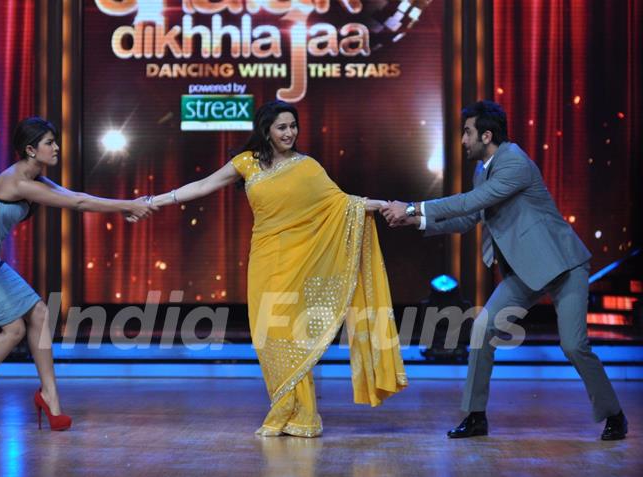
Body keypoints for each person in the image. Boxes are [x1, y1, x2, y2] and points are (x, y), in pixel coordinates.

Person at [147, 100, 408, 437]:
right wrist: (155, 201)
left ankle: (301, 416)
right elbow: (201, 186)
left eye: (293, 126)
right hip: (266, 261)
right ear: (266, 130)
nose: (290, 133)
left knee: (290, 335)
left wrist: (380, 205)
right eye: (282, 127)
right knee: (266, 336)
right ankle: (286, 408)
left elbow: (341, 203)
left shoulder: (308, 167)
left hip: (300, 263)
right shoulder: (247, 163)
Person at [381, 100, 627, 440]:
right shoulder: (482, 170)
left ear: (486, 135)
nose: (463, 141)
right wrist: (414, 220)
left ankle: (613, 413)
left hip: (563, 265)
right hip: (525, 271)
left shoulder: (514, 162)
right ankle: (476, 416)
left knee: (573, 345)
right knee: (482, 330)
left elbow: (469, 203)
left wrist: (411, 206)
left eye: (467, 133)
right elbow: (469, 218)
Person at [0, 117, 156, 432]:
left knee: (40, 313)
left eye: (55, 141)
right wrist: (129, 203)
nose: (56, 147)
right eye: (49, 142)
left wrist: (122, 207)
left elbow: (75, 196)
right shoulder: (17, 182)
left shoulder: (36, 180)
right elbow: (78, 203)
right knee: (14, 329)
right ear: (30, 149)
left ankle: (50, 396)